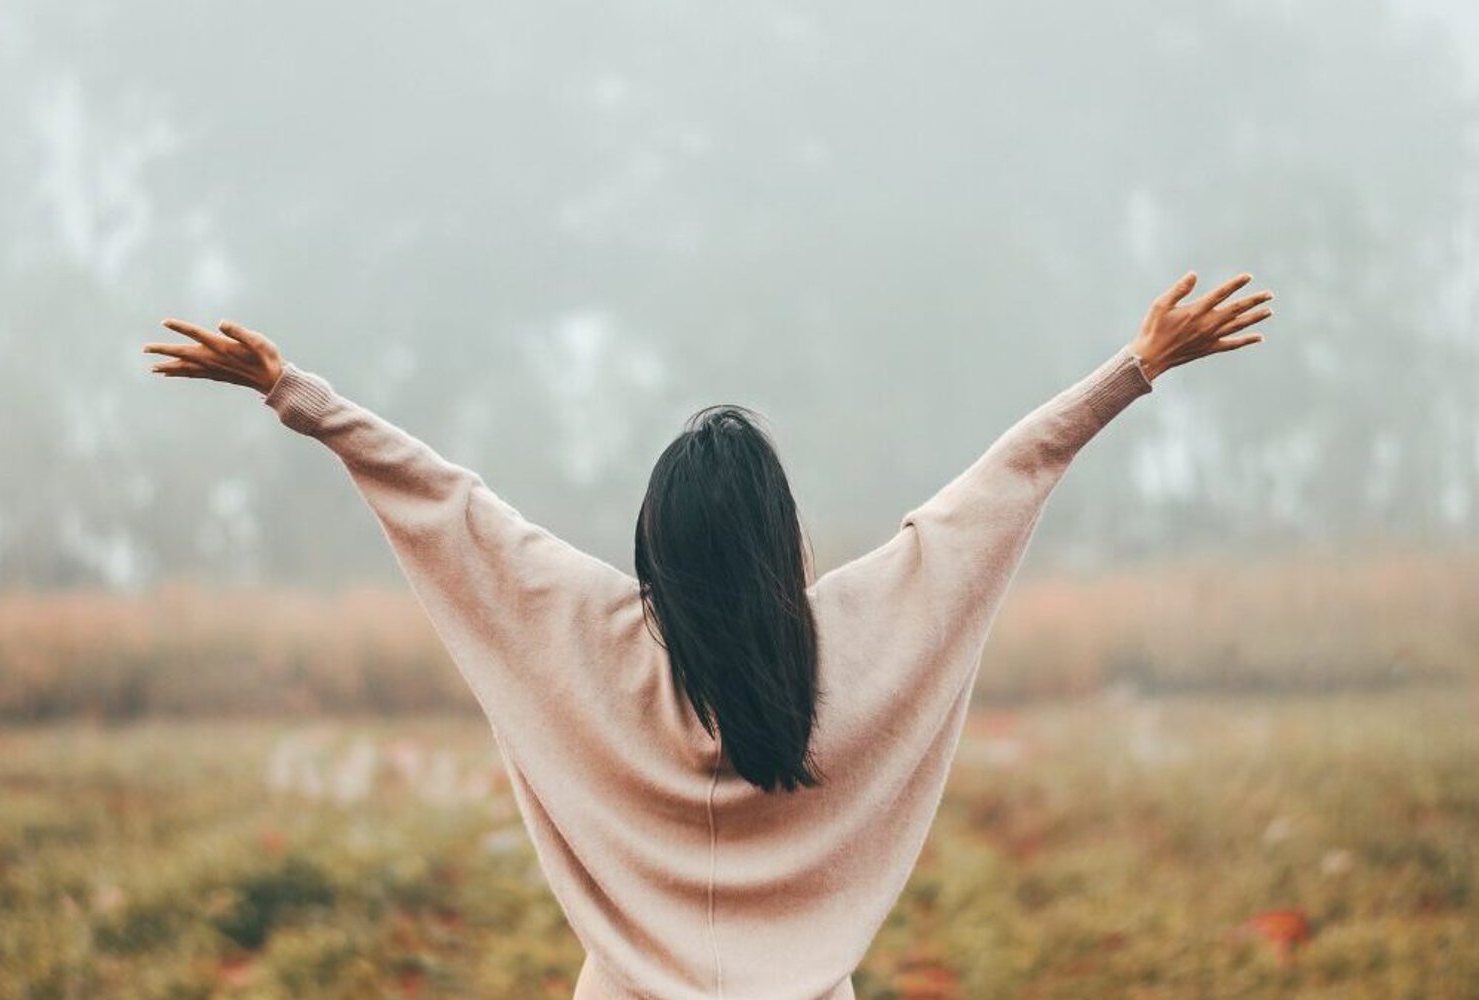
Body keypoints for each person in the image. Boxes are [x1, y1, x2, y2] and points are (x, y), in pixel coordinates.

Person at [142, 270, 1271, 1000]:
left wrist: (295, 392)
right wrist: (1134, 370)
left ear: (654, 542)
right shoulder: (856, 637)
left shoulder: (584, 630)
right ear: (783, 537)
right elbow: (999, 486)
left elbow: (446, 501)